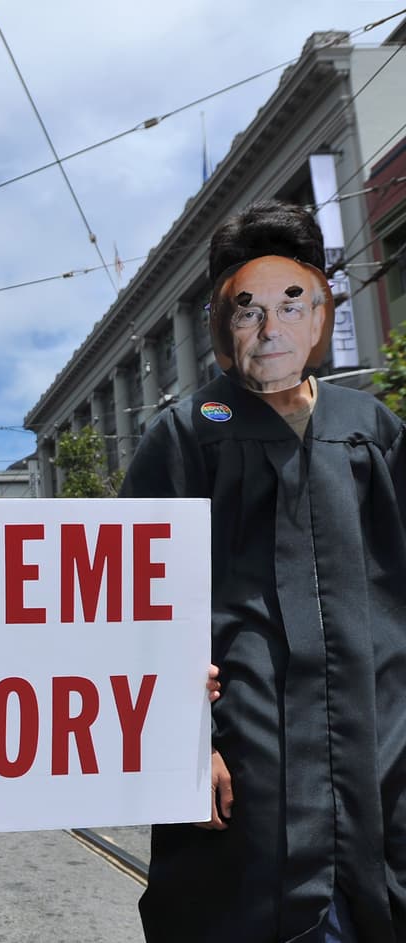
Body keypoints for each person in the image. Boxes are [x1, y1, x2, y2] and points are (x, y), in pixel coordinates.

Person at [121, 200, 406, 941]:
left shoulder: (372, 431)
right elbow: (134, 608)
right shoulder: (186, 435)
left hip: (380, 757)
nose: (269, 328)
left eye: (290, 304)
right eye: (247, 310)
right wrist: (185, 743)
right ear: (223, 324)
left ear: (319, 314)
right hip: (248, 768)